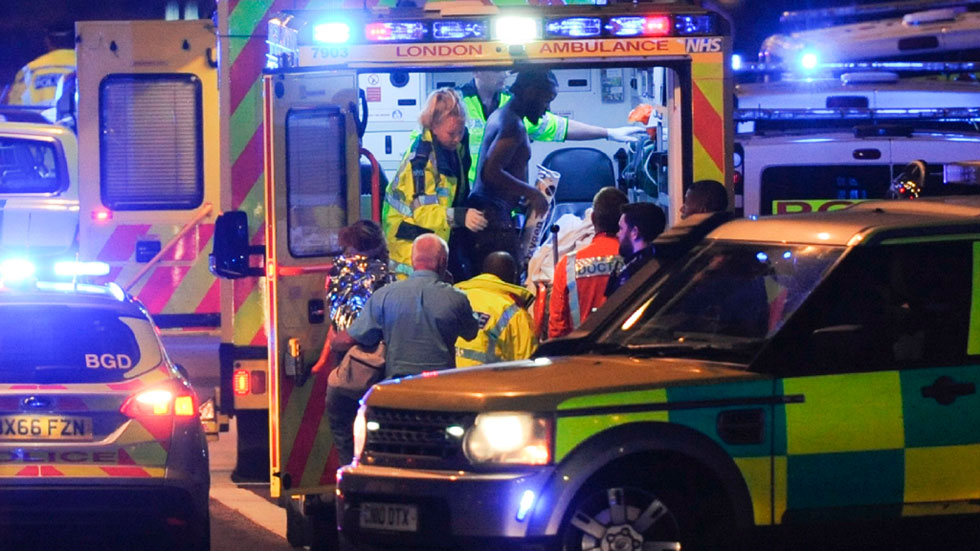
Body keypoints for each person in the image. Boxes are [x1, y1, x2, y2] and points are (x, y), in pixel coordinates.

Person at [336, 233, 480, 381]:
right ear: (443, 261)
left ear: (412, 260)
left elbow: (348, 340)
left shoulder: (384, 295)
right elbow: (471, 333)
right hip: (441, 386)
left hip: (399, 387)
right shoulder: (456, 298)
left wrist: (333, 342)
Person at [459, 70, 645, 182]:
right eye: (496, 69)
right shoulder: (458, 103)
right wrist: (531, 194)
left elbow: (560, 127)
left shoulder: (511, 103)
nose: (504, 74)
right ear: (476, 71)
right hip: (467, 204)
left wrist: (608, 133)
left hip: (506, 205)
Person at [382, 88, 487, 280]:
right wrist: (461, 216)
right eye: (451, 133)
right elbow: (423, 212)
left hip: (435, 238)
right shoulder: (421, 162)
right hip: (410, 250)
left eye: (460, 131)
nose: (457, 138)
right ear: (433, 126)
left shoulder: (452, 148)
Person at [311, 220, 392, 467]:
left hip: (349, 370)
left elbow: (338, 330)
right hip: (379, 369)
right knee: (376, 434)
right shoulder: (388, 279)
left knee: (343, 432)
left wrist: (325, 357)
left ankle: (350, 477)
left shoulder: (340, 275)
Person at [467, 70, 558, 273]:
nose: (547, 109)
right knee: (509, 278)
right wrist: (532, 193)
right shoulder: (512, 125)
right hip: (493, 221)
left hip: (493, 215)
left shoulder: (504, 116)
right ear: (531, 92)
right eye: (547, 100)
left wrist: (520, 194)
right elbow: (490, 172)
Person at [549, 187, 628, 339]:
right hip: (625, 348)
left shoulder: (567, 265)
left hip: (580, 350)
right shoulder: (635, 259)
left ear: (592, 218)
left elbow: (557, 330)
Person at [455, 251, 537, 367]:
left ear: (483, 273)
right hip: (488, 377)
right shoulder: (516, 314)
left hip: (447, 374)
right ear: (514, 277)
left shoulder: (455, 297)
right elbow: (528, 364)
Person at [3, 24, 76, 107]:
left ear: (48, 41)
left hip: (36, 116)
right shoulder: (85, 65)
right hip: (77, 116)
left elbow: (14, 106)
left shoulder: (30, 69)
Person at [605, 202, 666, 297]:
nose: (617, 234)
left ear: (634, 232)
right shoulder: (661, 264)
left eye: (621, 229)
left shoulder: (634, 274)